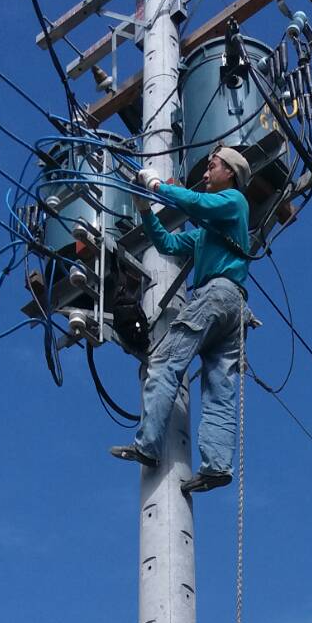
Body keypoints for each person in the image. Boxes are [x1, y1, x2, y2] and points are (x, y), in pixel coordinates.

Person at [109, 143, 253, 494]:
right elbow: (169, 244)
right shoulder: (209, 231)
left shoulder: (234, 201)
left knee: (164, 362)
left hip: (216, 296)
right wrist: (146, 210)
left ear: (229, 173)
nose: (205, 172)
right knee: (219, 388)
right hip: (233, 310)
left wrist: (158, 186)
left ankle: (148, 445)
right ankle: (217, 466)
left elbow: (195, 204)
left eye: (212, 165)